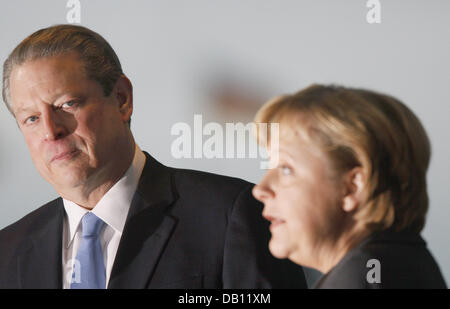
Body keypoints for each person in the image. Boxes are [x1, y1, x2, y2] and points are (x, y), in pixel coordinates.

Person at [0, 24, 306, 289]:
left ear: (121, 98)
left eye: (67, 104)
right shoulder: (7, 251)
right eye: (31, 119)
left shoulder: (231, 216)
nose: (51, 131)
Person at [252, 84, 447, 289]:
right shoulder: (395, 265)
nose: (260, 190)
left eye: (285, 169)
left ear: (353, 186)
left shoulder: (362, 277)